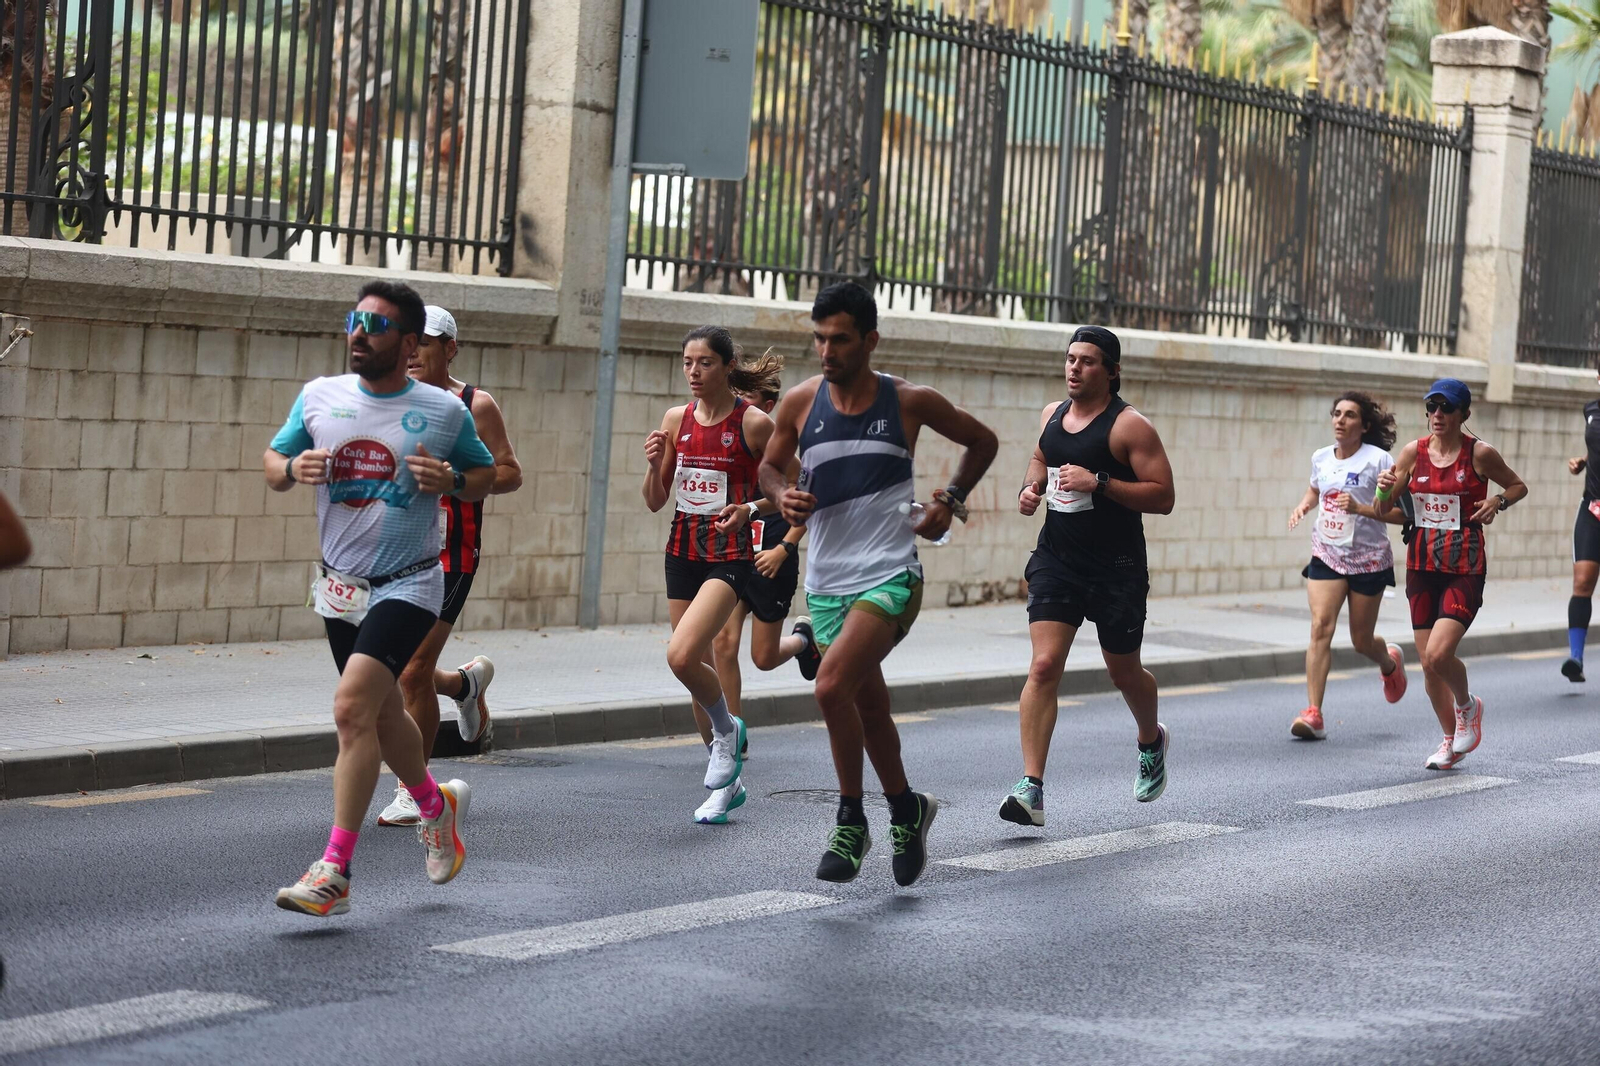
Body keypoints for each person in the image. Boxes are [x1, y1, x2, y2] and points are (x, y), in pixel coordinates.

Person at [264, 280, 497, 917]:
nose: (359, 333)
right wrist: (291, 469)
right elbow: (273, 460)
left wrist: (450, 477)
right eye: (354, 320)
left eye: (376, 324)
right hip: (340, 584)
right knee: (384, 712)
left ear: (410, 341)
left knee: (350, 710)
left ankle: (334, 870)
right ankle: (434, 805)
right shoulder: (319, 396)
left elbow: (487, 476)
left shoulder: (445, 411)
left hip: (411, 581)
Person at [759, 281, 998, 886]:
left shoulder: (907, 402)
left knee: (830, 687)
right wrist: (780, 495)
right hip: (827, 581)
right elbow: (768, 466)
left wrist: (950, 499)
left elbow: (982, 441)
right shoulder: (799, 403)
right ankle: (906, 808)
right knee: (869, 707)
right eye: (818, 338)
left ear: (870, 340)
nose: (826, 350)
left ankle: (850, 818)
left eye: (839, 339)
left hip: (892, 575)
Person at [1002, 326, 1174, 830]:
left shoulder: (1129, 427)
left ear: (1112, 371)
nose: (1075, 368)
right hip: (1058, 559)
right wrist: (1031, 487)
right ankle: (1031, 786)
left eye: (1088, 361)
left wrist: (1098, 481)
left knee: (1123, 672)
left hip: (1117, 569)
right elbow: (1042, 456)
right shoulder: (1052, 415)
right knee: (1044, 665)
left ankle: (1150, 739)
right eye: (1071, 358)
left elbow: (1163, 496)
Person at [378, 305, 523, 827]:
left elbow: (509, 473)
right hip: (397, 553)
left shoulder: (474, 404)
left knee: (411, 671)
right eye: (407, 342)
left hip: (452, 554)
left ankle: (411, 789)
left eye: (427, 343)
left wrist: (456, 479)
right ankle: (465, 687)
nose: (413, 353)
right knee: (395, 669)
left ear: (451, 349)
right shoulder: (390, 398)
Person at [644, 326, 783, 823]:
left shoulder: (754, 424)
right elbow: (656, 500)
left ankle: (728, 733)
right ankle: (726, 783)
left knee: (679, 656)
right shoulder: (675, 419)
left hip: (729, 556)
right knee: (694, 669)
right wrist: (655, 464)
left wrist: (750, 507)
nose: (694, 373)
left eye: (704, 363)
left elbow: (795, 487)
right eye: (687, 363)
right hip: (681, 551)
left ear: (727, 367)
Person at [1376, 378, 1528, 770]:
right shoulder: (1414, 452)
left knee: (1441, 654)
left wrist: (1497, 500)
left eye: (1446, 408)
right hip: (1422, 567)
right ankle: (1450, 740)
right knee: (1427, 664)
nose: (1437, 415)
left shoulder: (1480, 454)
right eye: (1432, 407)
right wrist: (1382, 490)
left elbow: (1518, 485)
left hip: (1464, 567)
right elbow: (1383, 510)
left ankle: (1468, 706)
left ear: (1464, 414)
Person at [1285, 392, 1408, 740]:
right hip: (1327, 553)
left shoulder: (1380, 461)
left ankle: (1388, 662)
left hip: (1369, 559)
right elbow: (1315, 490)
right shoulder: (1321, 458)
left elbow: (1401, 515)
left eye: (1350, 415)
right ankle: (1314, 713)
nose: (1340, 420)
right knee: (1320, 626)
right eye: (1336, 414)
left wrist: (1361, 508)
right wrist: (1304, 506)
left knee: (1361, 640)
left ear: (1364, 425)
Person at [1561, 378, 1600, 683]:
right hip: (1593, 508)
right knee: (1583, 581)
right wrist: (1583, 461)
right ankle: (1576, 658)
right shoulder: (1592, 409)